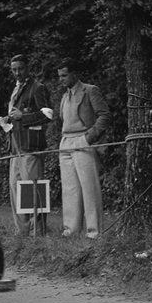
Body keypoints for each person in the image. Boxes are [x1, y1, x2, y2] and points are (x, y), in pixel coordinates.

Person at [57, 59, 110, 238]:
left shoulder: (90, 90)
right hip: (65, 143)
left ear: (74, 74)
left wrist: (89, 137)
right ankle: (70, 231)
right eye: (59, 76)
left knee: (89, 188)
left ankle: (94, 233)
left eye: (64, 75)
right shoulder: (65, 96)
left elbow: (104, 116)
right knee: (70, 189)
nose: (61, 79)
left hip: (82, 141)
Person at [1, 54, 53, 236]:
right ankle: (21, 232)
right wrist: (7, 120)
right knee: (16, 189)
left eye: (20, 69)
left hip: (31, 147)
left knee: (32, 189)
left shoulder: (38, 88)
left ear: (28, 68)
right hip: (15, 147)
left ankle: (37, 231)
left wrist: (23, 117)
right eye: (14, 70)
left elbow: (48, 115)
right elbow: (15, 115)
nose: (17, 73)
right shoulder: (15, 89)